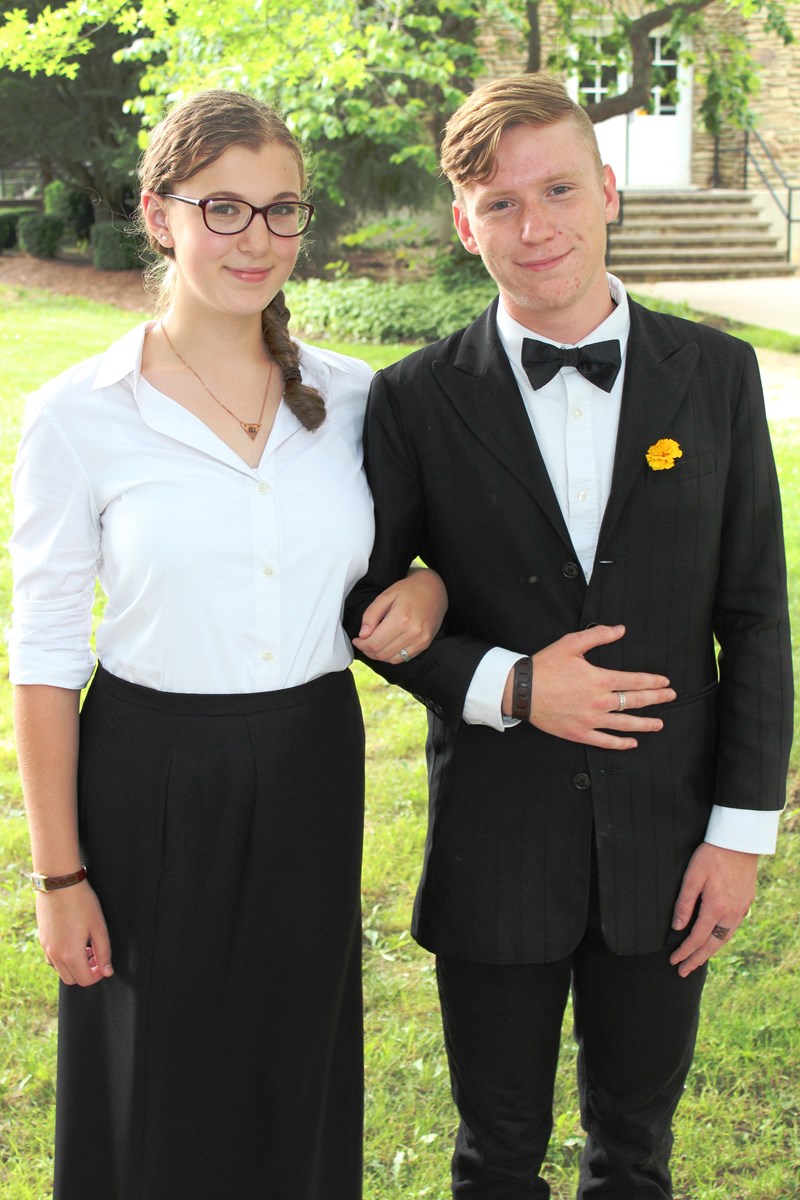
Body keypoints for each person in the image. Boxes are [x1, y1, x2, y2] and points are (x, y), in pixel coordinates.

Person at [345, 74, 793, 1199]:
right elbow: (372, 608)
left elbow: (754, 617)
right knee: (495, 1155)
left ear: (607, 192)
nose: (533, 225)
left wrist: (739, 837)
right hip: (495, 843)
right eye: (498, 203)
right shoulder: (413, 399)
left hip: (669, 846)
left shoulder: (718, 375)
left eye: (557, 190)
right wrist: (506, 684)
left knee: (634, 1153)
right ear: (464, 225)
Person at [10, 89, 447, 1200]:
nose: (258, 239)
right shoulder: (79, 413)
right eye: (224, 209)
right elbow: (46, 659)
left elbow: (426, 555)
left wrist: (432, 586)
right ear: (159, 216)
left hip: (311, 759)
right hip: (149, 776)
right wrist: (60, 876)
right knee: (155, 1084)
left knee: (293, 1070)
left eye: (282, 209)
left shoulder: (357, 399)